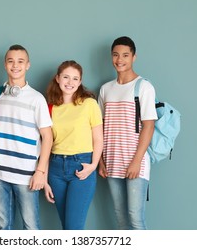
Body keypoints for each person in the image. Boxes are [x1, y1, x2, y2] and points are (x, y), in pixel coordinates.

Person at [0, 44, 53, 230]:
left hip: (27, 175)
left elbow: (48, 137)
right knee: (2, 225)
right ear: (5, 65)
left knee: (30, 227)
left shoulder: (36, 99)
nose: (15, 65)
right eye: (11, 61)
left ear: (28, 65)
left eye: (20, 61)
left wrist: (40, 172)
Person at [98, 36, 157, 230]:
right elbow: (99, 127)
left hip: (135, 161)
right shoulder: (106, 89)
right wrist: (100, 160)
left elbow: (148, 126)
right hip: (112, 161)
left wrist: (137, 161)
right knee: (120, 217)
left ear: (134, 57)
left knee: (135, 217)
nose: (120, 59)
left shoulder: (144, 87)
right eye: (116, 55)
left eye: (125, 55)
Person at [44, 60, 103, 230]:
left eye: (75, 79)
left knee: (73, 228)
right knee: (66, 227)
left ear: (80, 81)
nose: (70, 82)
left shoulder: (89, 104)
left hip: (82, 167)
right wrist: (46, 180)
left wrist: (93, 165)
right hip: (55, 169)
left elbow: (98, 139)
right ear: (57, 78)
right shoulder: (50, 108)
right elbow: (46, 145)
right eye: (66, 77)